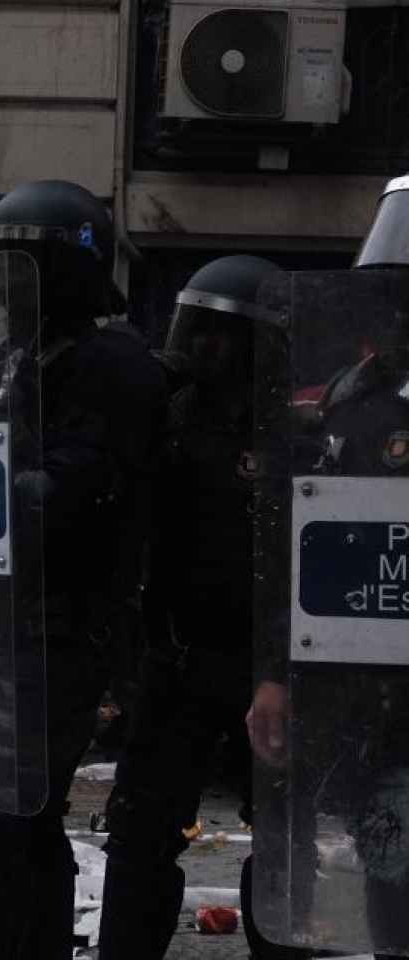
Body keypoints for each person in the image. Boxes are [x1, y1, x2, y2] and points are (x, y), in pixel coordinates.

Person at [0, 180, 168, 960]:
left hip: (69, 614)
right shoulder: (7, 353)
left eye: (20, 265)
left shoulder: (114, 361)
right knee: (1, 808)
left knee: (11, 805)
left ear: (65, 269)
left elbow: (79, 486)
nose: (2, 285)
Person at [94, 255, 278, 960]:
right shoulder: (165, 419)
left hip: (266, 666)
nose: (202, 350)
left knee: (281, 840)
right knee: (140, 832)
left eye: (219, 338)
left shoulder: (298, 433)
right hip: (176, 658)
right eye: (195, 331)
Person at [246, 177, 409, 959]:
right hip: (372, 685)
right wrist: (279, 671)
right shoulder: (355, 397)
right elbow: (311, 550)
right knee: (388, 857)